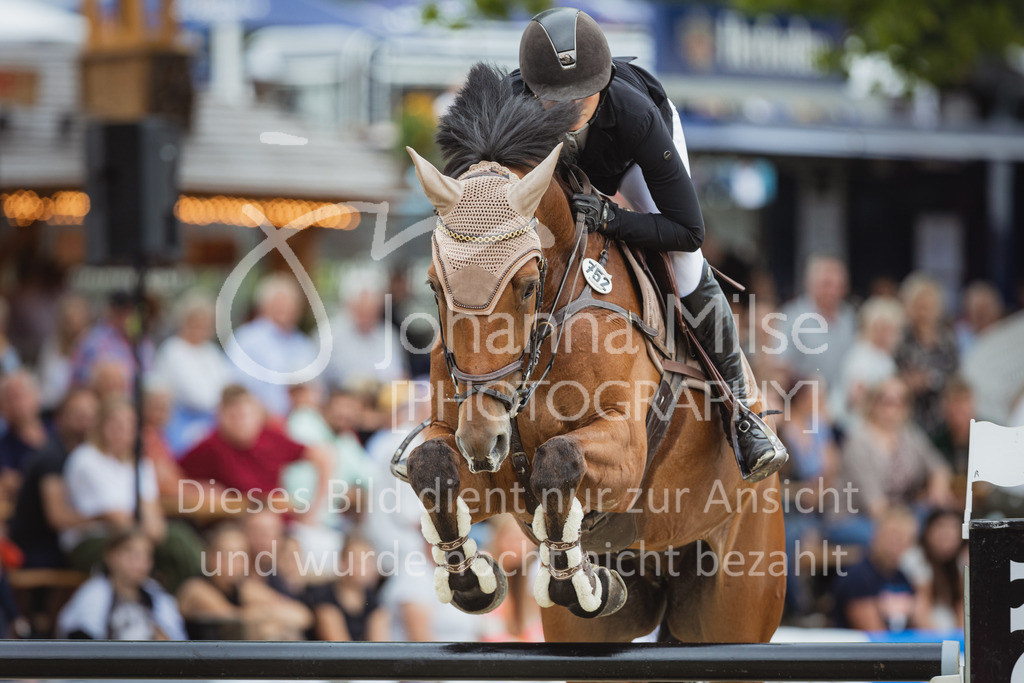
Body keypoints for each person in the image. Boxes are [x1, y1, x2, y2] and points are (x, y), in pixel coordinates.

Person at [510, 8, 786, 481]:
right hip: (557, 175)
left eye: (581, 96)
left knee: (684, 263)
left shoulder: (637, 116)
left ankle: (742, 410)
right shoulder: (512, 101)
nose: (568, 111)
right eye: (554, 100)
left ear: (603, 80)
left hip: (629, 164)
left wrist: (613, 219)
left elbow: (687, 230)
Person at [61, 398, 202, 592]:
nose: (122, 431)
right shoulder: (86, 459)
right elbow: (113, 516)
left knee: (179, 541)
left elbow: (152, 514)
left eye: (129, 426)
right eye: (116, 424)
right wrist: (146, 535)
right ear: (101, 426)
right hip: (96, 539)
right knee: (133, 553)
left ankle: (179, 601)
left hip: (136, 533)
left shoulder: (141, 465)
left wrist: (152, 533)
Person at [180, 385, 331, 519]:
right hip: (234, 520)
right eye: (233, 416)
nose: (240, 422)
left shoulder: (272, 439)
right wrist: (196, 490)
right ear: (221, 417)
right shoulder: (210, 446)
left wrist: (313, 511)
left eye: (245, 415)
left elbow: (323, 456)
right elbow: (173, 476)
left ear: (258, 416)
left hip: (277, 519)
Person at [839, 378, 956, 524]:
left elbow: (939, 466)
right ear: (873, 403)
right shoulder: (859, 443)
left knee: (948, 523)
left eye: (901, 401)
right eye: (888, 402)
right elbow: (875, 506)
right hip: (857, 518)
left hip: (900, 513)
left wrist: (937, 489)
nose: (894, 408)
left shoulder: (908, 434)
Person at [9, 387, 99, 568]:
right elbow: (56, 517)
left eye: (91, 415)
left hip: (64, 543)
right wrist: (103, 518)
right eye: (78, 414)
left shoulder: (89, 456)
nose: (85, 422)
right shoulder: (52, 457)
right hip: (38, 547)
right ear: (60, 418)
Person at [176, 522, 313, 640]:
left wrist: (265, 611)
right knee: (267, 629)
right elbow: (233, 619)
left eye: (239, 555)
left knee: (275, 630)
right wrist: (267, 612)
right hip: (194, 664)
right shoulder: (195, 588)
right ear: (209, 556)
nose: (232, 562)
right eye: (225, 554)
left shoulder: (244, 587)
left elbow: (301, 615)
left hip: (228, 660)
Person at [56, 528, 187, 640]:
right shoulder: (93, 594)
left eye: (145, 556)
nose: (138, 563)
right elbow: (82, 646)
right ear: (110, 556)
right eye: (131, 553)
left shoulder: (156, 596)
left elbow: (177, 642)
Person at [152, 291, 233, 454]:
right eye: (196, 322)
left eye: (206, 323)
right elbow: (196, 396)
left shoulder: (211, 352)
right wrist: (223, 404)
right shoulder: (173, 351)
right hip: (183, 427)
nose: (201, 328)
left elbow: (229, 385)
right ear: (184, 321)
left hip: (215, 421)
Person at [225, 274, 317, 417]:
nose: (286, 309)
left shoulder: (303, 344)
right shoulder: (246, 339)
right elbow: (238, 386)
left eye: (291, 304)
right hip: (258, 423)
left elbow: (315, 389)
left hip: (299, 421)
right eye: (280, 303)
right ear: (263, 305)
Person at [831, 508, 924, 631]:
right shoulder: (858, 576)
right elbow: (874, 634)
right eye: (892, 535)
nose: (896, 542)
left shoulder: (902, 577)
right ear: (876, 535)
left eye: (903, 538)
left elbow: (924, 628)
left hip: (897, 646)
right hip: (864, 648)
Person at [778, 255, 858, 391]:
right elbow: (782, 364)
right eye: (826, 284)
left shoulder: (849, 317)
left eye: (838, 285)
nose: (832, 291)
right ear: (810, 284)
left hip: (844, 400)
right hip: (806, 399)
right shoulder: (791, 316)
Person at [895, 273, 959, 439]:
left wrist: (931, 379)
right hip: (910, 416)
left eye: (928, 305)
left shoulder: (948, 339)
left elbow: (955, 375)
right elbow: (895, 373)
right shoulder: (901, 339)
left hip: (943, 417)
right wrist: (907, 382)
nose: (924, 311)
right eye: (919, 306)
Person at [829, 296, 904, 432]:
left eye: (889, 328)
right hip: (852, 426)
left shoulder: (886, 357)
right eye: (881, 327)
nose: (885, 333)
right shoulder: (861, 355)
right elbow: (855, 398)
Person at [307, 533, 388, 641]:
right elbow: (340, 648)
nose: (365, 568)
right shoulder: (324, 596)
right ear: (343, 562)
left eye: (369, 561)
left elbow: (380, 647)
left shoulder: (374, 601)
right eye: (358, 561)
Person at [69, 290, 153, 390]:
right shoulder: (93, 341)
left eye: (131, 312)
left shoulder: (143, 342)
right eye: (123, 312)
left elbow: (150, 374)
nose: (128, 317)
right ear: (112, 311)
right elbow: (78, 380)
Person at [37, 292, 92, 414]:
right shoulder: (51, 345)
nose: (72, 325)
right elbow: (44, 381)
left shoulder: (92, 345)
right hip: (50, 408)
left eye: (76, 318)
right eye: (68, 320)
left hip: (80, 411)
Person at [0, 371, 49, 498]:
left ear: (37, 397)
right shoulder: (4, 448)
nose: (17, 405)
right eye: (9, 399)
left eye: (21, 396)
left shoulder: (58, 429)